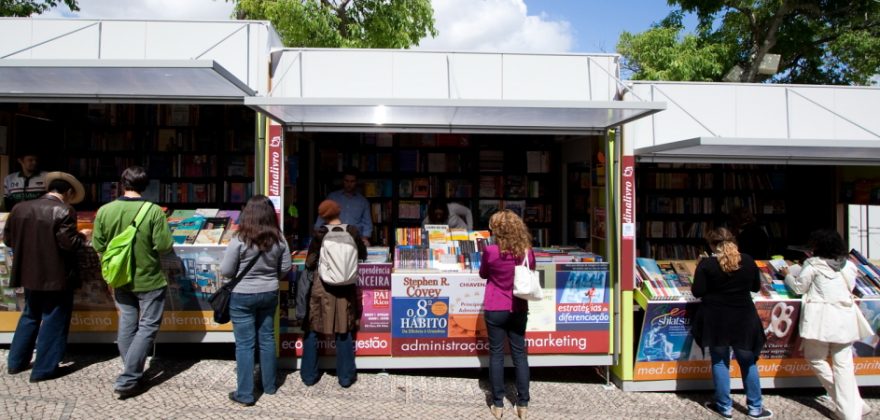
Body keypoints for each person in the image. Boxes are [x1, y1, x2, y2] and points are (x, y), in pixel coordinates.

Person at [92, 166, 173, 398]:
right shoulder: (154, 211)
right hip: (148, 277)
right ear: (145, 185)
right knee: (147, 326)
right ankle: (129, 377)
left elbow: (98, 244)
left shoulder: (105, 210)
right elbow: (164, 245)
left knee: (127, 322)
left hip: (119, 277)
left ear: (122, 184)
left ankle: (130, 369)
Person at [4, 172, 89, 382]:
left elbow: (8, 239)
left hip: (28, 273)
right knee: (54, 319)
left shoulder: (20, 208)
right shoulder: (64, 210)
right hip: (56, 275)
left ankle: (16, 362)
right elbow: (69, 244)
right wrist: (82, 236)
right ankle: (43, 369)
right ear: (68, 192)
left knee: (30, 315)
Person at [782, 230, 873, 420]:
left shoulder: (814, 265)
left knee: (815, 358)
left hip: (821, 319)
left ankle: (848, 411)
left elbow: (799, 287)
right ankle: (856, 406)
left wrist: (787, 275)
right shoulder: (848, 266)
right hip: (845, 319)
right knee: (844, 367)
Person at [692, 227, 772, 420]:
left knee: (720, 361)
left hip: (716, 318)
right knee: (748, 360)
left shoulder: (707, 264)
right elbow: (754, 287)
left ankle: (724, 407)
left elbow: (698, 291)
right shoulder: (747, 260)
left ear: (712, 244)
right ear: (734, 241)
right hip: (744, 317)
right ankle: (755, 407)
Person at [220, 195, 292, 406]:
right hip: (269, 292)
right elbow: (286, 267)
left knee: (245, 345)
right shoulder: (279, 238)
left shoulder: (239, 239)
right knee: (267, 339)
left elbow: (226, 271)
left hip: (242, 295)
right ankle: (269, 386)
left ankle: (245, 393)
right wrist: (270, 278)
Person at [302, 199, 366, 388]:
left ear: (323, 215)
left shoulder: (320, 233)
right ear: (338, 212)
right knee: (344, 332)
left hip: (323, 289)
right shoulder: (352, 231)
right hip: (345, 290)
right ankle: (345, 378)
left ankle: (309, 376)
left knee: (313, 329)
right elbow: (363, 254)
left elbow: (309, 262)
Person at [479, 209, 534, 420]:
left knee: (496, 354)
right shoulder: (526, 251)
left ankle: (498, 403)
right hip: (518, 306)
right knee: (520, 354)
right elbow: (531, 271)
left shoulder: (491, 251)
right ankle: (523, 404)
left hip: (495, 306)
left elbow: (484, 273)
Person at [314, 167, 372, 245]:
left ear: (356, 182)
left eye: (352, 181)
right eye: (346, 181)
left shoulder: (363, 201)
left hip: (355, 239)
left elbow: (367, 223)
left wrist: (364, 239)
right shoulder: (332, 197)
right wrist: (318, 234)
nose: (349, 184)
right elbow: (321, 218)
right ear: (343, 181)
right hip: (333, 238)